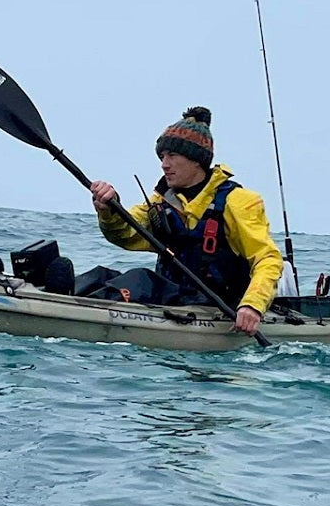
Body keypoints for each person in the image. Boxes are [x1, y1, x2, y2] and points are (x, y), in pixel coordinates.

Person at [89, 106, 283, 336]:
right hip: (174, 300)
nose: (164, 164)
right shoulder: (162, 202)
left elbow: (267, 259)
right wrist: (109, 209)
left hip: (218, 307)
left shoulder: (238, 202)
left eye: (172, 155)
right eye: (162, 156)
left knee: (140, 279)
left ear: (196, 160)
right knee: (102, 277)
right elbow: (124, 235)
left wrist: (252, 305)